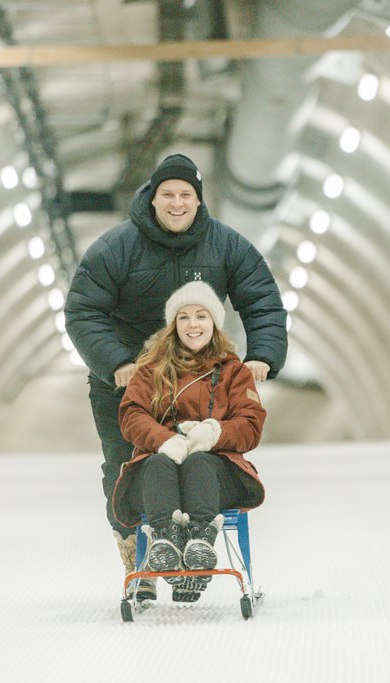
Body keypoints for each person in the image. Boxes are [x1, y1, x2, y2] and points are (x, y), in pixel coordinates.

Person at [63, 153, 287, 600]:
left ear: (199, 201)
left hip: (199, 381)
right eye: (168, 194)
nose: (177, 203)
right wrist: (116, 364)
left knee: (200, 462)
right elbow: (83, 310)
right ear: (152, 199)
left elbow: (261, 298)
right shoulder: (116, 247)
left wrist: (262, 354)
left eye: (187, 194)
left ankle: (192, 553)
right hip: (128, 380)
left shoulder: (226, 246)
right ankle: (140, 561)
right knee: (126, 468)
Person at [111, 281, 266, 602]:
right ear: (173, 325)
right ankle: (166, 540)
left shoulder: (233, 372)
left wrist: (213, 433)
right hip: (159, 471)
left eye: (201, 316)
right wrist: (164, 440)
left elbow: (250, 423)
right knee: (156, 462)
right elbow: (132, 414)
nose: (193, 324)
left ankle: (199, 541)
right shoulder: (150, 370)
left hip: (216, 471)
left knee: (199, 462)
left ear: (214, 324)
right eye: (184, 317)